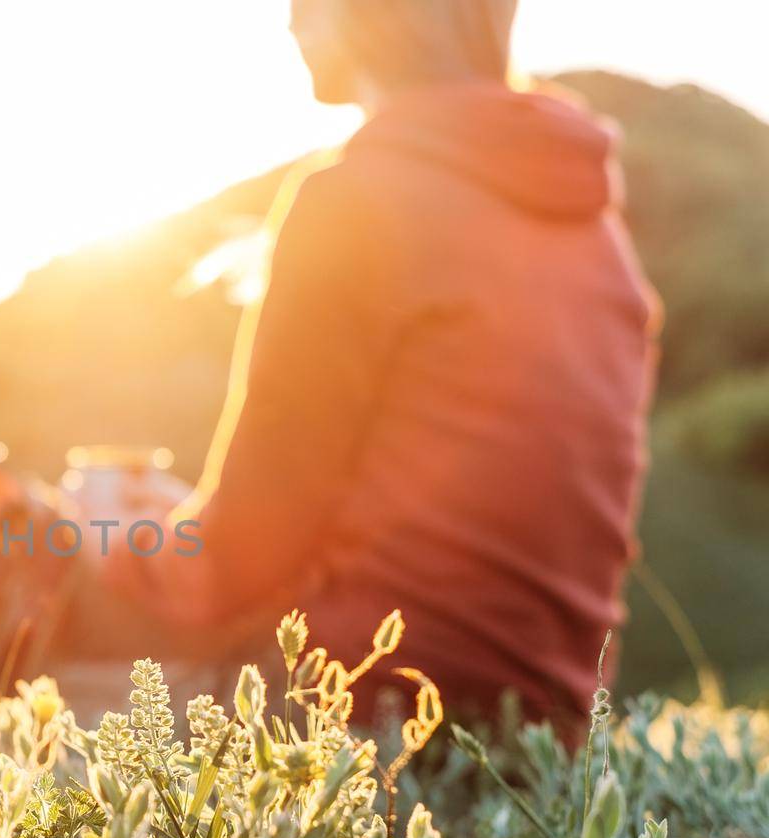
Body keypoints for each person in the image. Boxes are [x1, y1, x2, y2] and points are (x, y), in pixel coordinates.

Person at [100, 0, 658, 724]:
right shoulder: (600, 233)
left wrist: (118, 543)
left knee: (15, 601)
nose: (290, 23)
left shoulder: (352, 198)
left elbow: (245, 555)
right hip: (553, 719)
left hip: (367, 696)